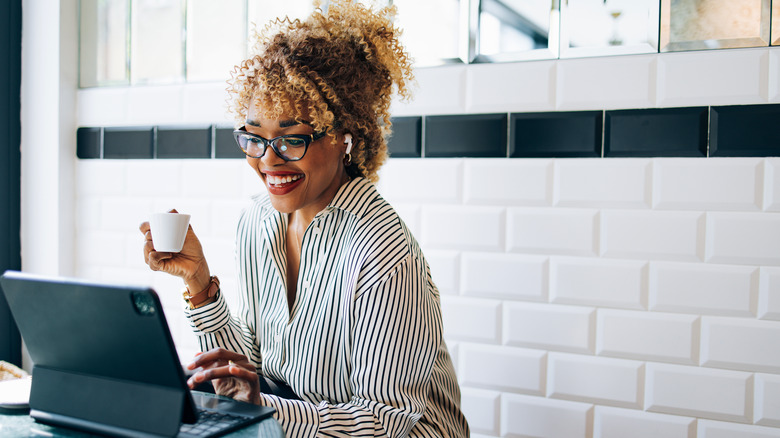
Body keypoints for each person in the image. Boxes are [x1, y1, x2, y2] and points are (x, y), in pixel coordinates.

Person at [140, 1, 469, 436]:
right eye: (254, 138)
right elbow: (257, 372)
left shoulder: (382, 250)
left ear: (345, 135)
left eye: (292, 139)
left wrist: (268, 410)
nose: (269, 161)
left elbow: (388, 422)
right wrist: (199, 282)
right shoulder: (258, 223)